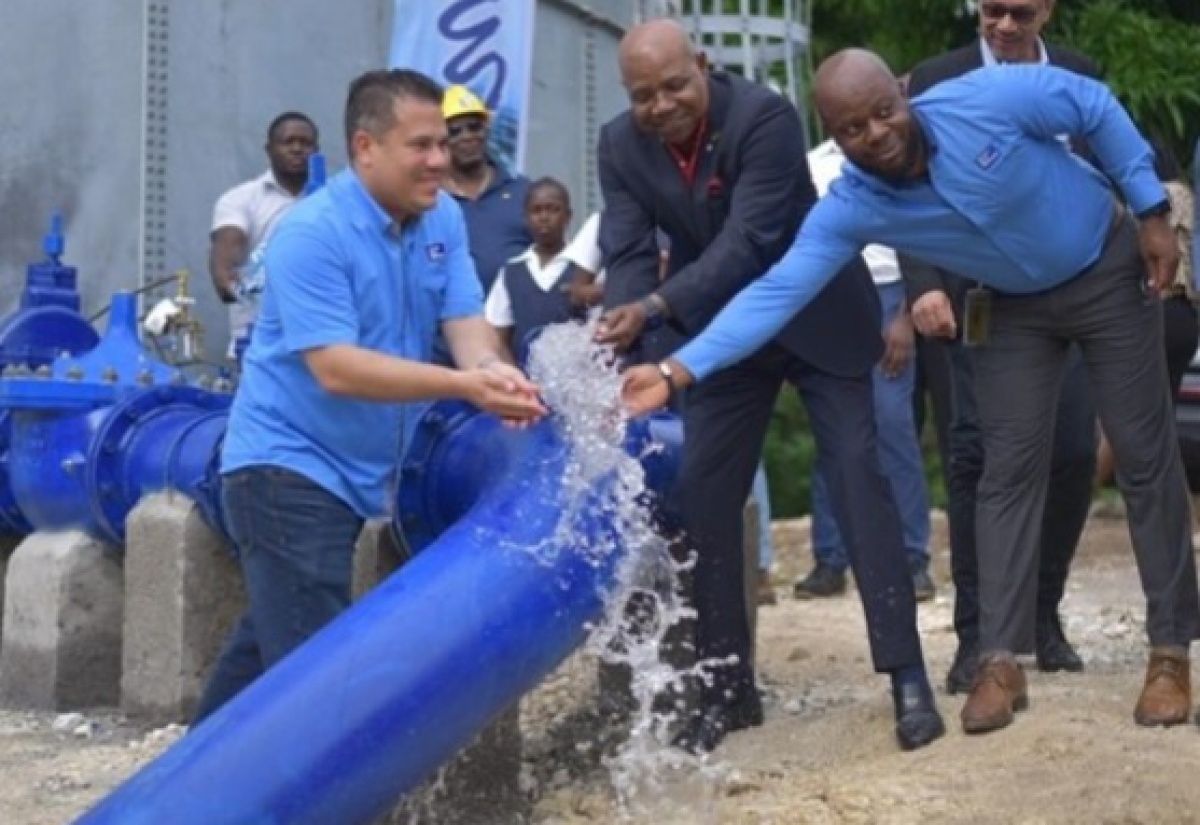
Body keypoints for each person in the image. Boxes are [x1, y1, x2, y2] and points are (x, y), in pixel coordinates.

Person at [623, 49, 1199, 736]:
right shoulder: (852, 205)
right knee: (1005, 469)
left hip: (1103, 264)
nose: (876, 135)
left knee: (1142, 454)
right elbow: (775, 293)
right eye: (851, 129)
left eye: (883, 112)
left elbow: (1093, 106)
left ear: (902, 94)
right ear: (833, 137)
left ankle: (1169, 654)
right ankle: (998, 659)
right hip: (1014, 305)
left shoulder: (988, 99)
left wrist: (1152, 208)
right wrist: (673, 371)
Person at [599, 20, 943, 755]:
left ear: (702, 64)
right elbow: (627, 252)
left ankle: (906, 676)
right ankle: (727, 687)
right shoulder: (619, 145)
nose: (660, 106)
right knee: (704, 493)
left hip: (817, 311)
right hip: (724, 336)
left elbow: (750, 241)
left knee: (858, 478)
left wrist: (658, 306)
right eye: (642, 96)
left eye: (673, 86)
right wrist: (624, 326)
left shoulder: (765, 116)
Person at [192, 69, 547, 725]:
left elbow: (466, 324)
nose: (440, 159)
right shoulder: (311, 234)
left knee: (273, 651)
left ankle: (181, 793)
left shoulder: (441, 216)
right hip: (286, 467)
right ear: (365, 148)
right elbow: (336, 368)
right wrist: (463, 386)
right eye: (421, 146)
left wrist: (496, 376)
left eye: (443, 143)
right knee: (318, 682)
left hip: (355, 471)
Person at [901, 0, 1101, 691]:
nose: (1005, 26)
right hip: (974, 302)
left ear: (1046, 8)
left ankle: (1041, 616)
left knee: (1073, 449)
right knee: (977, 455)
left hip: (1069, 293)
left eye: (1020, 11)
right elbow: (907, 184)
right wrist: (923, 281)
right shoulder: (935, 78)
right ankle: (978, 634)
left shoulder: (1079, 74)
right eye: (992, 10)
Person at [796, 138, 934, 604]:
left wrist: (906, 316)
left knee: (893, 425)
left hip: (890, 294)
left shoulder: (895, 152)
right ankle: (830, 558)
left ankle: (912, 557)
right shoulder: (812, 164)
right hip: (831, 296)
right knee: (832, 427)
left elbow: (919, 237)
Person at [208, 111, 319, 358]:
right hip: (258, 348)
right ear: (269, 149)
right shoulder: (241, 200)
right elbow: (226, 272)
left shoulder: (334, 202)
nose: (297, 149)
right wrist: (237, 284)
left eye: (306, 143)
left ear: (317, 150)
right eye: (288, 142)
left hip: (323, 347)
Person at [441, 85, 532, 294]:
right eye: (455, 131)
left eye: (474, 127)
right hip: (454, 322)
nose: (467, 136)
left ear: (486, 130)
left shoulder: (523, 192)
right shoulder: (430, 202)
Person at [485, 177, 582, 360]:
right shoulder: (510, 273)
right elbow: (498, 338)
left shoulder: (585, 268)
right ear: (525, 217)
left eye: (553, 209)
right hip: (524, 382)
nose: (544, 217)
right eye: (536, 210)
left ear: (568, 216)